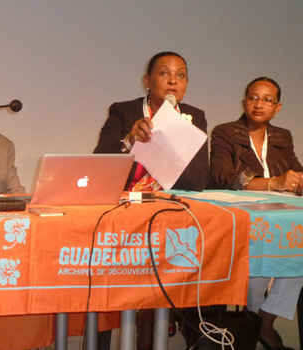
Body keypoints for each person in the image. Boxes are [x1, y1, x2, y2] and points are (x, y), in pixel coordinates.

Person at [93, 51, 209, 350]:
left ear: (186, 85)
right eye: (164, 73)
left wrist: (176, 138)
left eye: (180, 75)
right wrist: (130, 140)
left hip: (167, 212)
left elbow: (197, 182)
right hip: (124, 210)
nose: (173, 80)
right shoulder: (123, 111)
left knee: (160, 278)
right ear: (147, 81)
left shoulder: (195, 116)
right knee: (109, 278)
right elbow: (100, 166)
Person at [210, 77, 303, 350]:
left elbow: (299, 168)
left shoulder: (282, 136)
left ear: (277, 108)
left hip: (277, 217)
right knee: (259, 266)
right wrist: (272, 182)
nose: (259, 104)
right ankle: (255, 325)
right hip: (241, 219)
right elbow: (222, 176)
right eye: (253, 97)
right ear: (244, 102)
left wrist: (299, 178)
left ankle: (263, 321)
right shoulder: (225, 132)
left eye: (267, 99)